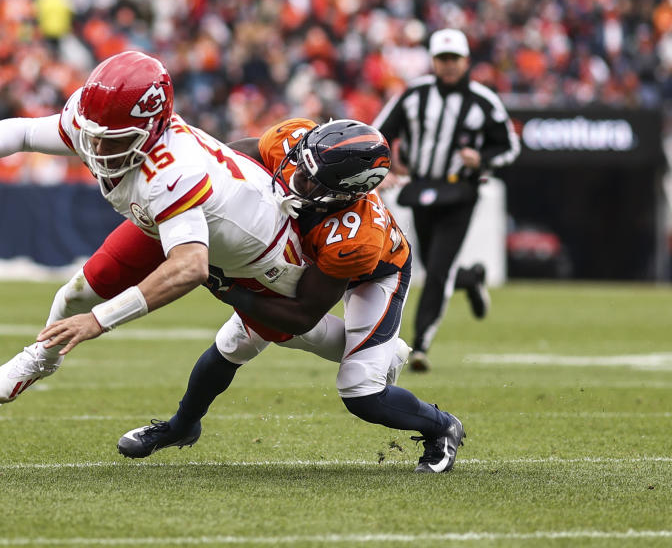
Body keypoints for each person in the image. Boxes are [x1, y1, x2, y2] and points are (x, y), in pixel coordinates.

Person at [0, 51, 308, 403]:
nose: (95, 146)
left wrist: (99, 320)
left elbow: (189, 267)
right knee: (74, 294)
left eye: (112, 139)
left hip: (264, 256)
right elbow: (27, 132)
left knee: (318, 346)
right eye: (93, 134)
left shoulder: (170, 169)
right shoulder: (96, 121)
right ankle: (44, 357)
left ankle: (367, 345)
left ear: (152, 129)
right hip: (175, 221)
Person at [117, 118, 466, 474]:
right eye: (302, 165)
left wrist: (228, 289)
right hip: (305, 255)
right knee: (232, 343)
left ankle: (442, 426)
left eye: (313, 181)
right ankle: (182, 426)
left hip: (373, 275)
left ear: (345, 193)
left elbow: (302, 314)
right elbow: (230, 158)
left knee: (361, 390)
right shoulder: (293, 139)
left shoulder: (355, 236)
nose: (298, 177)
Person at [372, 28, 520, 372]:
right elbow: (380, 132)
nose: (449, 65)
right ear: (433, 61)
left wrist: (481, 159)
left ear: (466, 60)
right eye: (442, 59)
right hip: (421, 188)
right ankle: (470, 278)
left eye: (454, 59)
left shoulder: (483, 100)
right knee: (433, 266)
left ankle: (421, 344)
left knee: (437, 269)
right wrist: (384, 169)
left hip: (460, 193)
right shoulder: (414, 94)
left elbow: (509, 146)